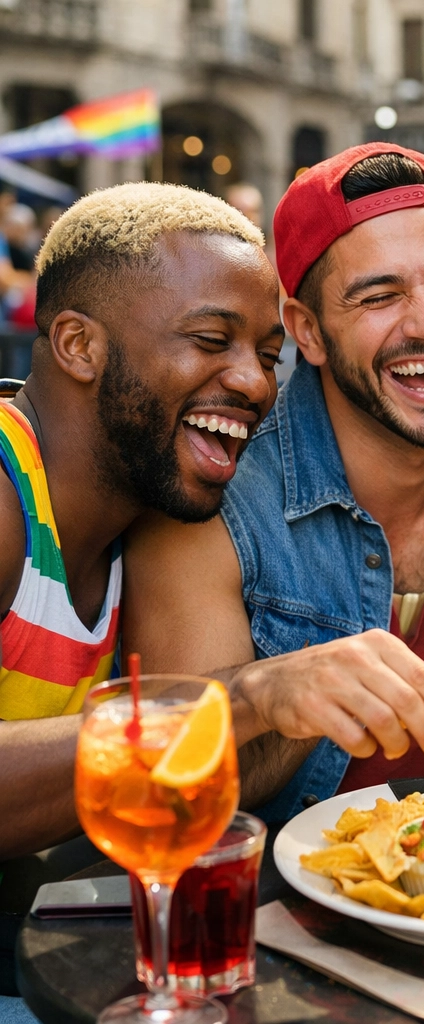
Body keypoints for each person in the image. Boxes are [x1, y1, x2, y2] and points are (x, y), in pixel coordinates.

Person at [125, 143, 424, 819]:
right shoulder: (215, 498)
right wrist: (290, 695)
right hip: (272, 906)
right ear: (310, 333)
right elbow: (179, 800)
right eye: (380, 296)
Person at [0, 182, 284, 862]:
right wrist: (243, 698)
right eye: (212, 339)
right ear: (78, 344)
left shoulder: (147, 502)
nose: (255, 383)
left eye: (270, 356)